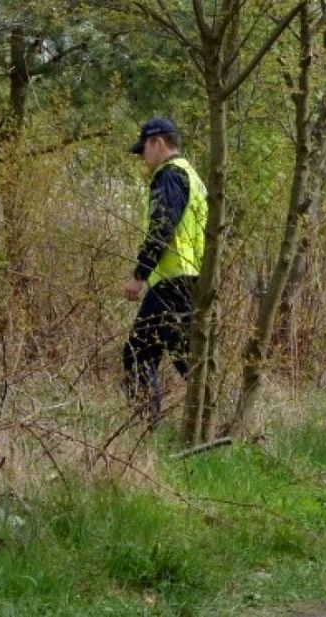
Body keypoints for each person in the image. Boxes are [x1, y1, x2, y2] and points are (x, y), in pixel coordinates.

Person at [122, 118, 207, 428]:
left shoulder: (169, 176)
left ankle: (145, 428)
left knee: (137, 352)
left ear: (158, 142)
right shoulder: (194, 178)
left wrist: (140, 274)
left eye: (144, 149)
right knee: (186, 358)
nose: (143, 158)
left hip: (170, 282)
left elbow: (162, 226)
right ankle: (209, 425)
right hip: (193, 279)